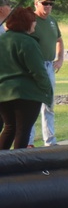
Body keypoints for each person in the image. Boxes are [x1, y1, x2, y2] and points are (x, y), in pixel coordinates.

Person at [0, 8, 53, 149]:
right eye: (33, 22)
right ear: (26, 23)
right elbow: (38, 71)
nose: (35, 25)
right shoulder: (28, 42)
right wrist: (48, 91)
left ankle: (3, 164)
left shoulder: (2, 39)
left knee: (9, 128)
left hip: (3, 93)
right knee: (22, 131)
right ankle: (19, 166)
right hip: (26, 94)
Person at [29, 0, 63, 147]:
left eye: (51, 4)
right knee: (31, 104)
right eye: (45, 3)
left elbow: (59, 40)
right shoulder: (30, 20)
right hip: (34, 65)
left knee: (48, 105)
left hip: (49, 65)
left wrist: (60, 59)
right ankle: (28, 142)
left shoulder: (52, 21)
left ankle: (50, 142)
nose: (48, 6)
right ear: (36, 3)